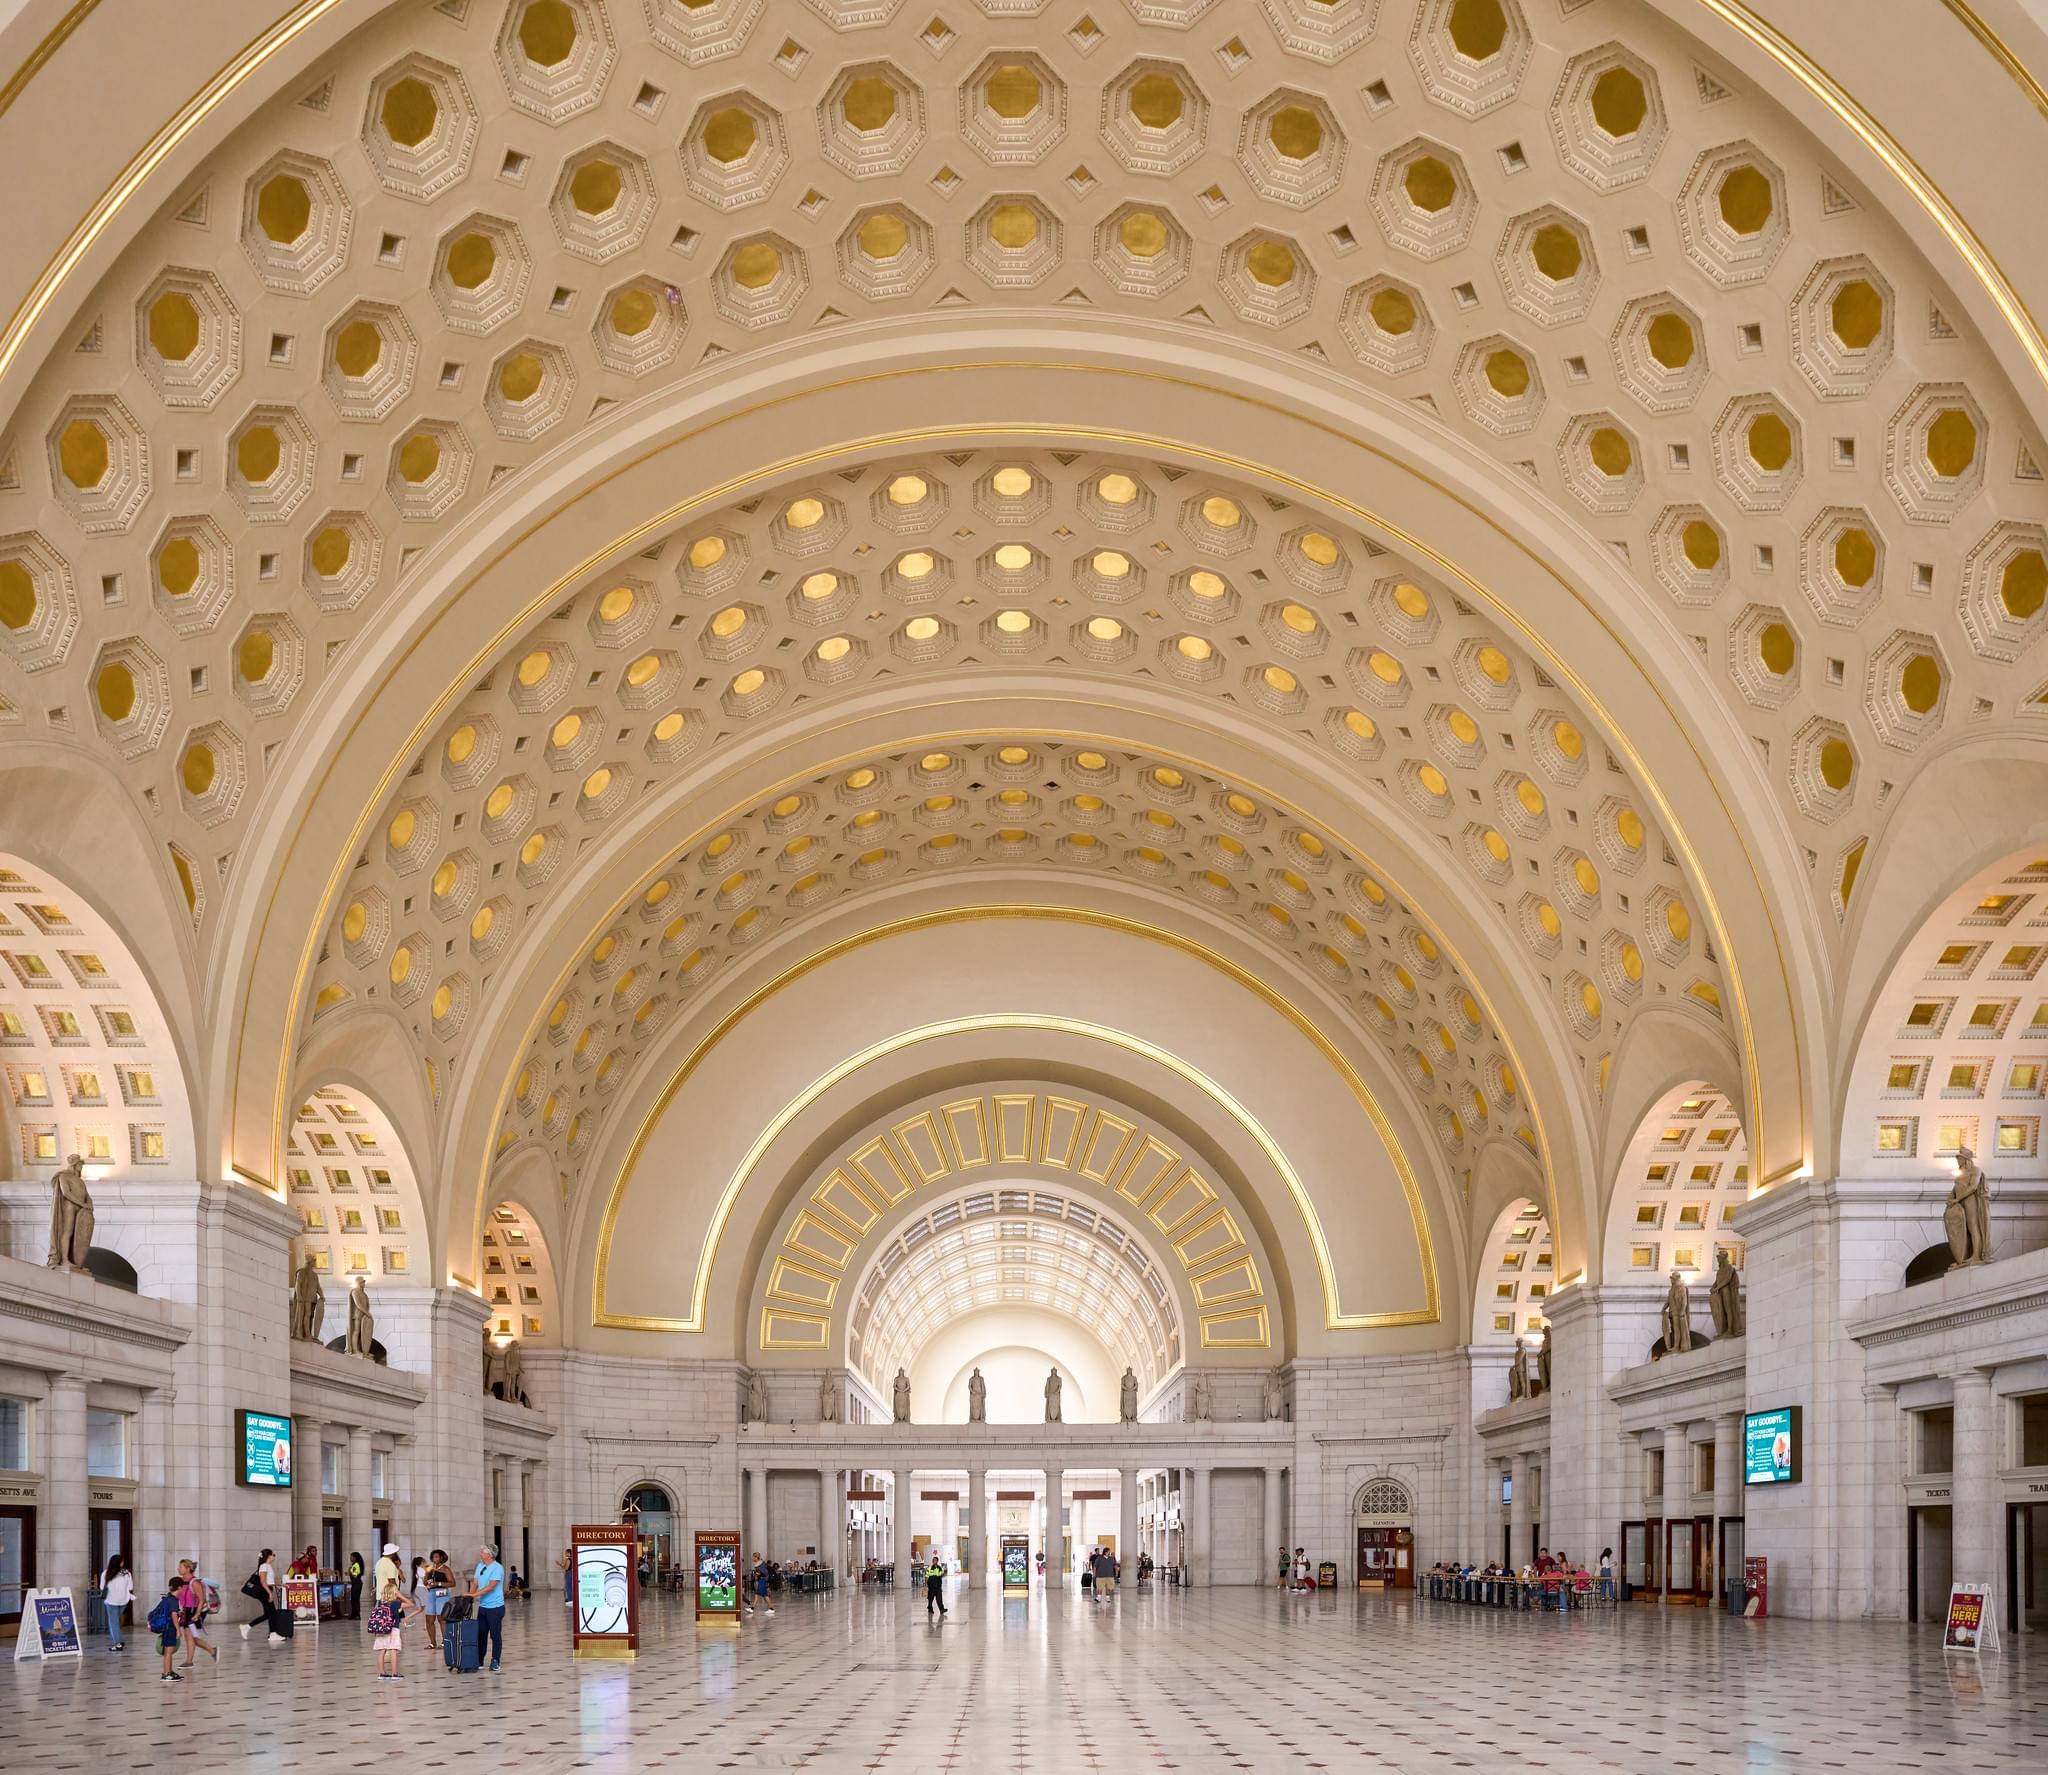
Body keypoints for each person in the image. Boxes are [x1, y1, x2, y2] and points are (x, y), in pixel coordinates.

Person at [370, 1560, 424, 1682]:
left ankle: (382, 1673)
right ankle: (394, 1673)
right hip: (393, 1629)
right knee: (393, 1651)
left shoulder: (381, 1603)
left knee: (381, 1651)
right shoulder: (396, 1604)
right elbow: (411, 1603)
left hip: (381, 1630)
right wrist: (400, 1595)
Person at [471, 1543, 507, 1672]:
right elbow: (475, 1582)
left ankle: (495, 1660)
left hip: (495, 1607)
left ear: (489, 1555)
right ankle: (479, 1660)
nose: (480, 1553)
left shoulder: (498, 1568)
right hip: (483, 1607)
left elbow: (492, 1586)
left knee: (495, 1635)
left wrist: (475, 1594)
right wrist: (470, 1594)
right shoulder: (480, 1566)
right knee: (481, 1634)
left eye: (482, 1552)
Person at [176, 1560, 218, 1666]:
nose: (178, 1569)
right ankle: (213, 1651)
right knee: (191, 1637)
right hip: (186, 1611)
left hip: (194, 1611)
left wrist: (197, 1614)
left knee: (189, 1636)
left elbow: (202, 1599)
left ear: (188, 1569)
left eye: (181, 1567)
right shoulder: (181, 1581)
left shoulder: (194, 1582)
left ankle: (189, 1661)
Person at [242, 1545, 286, 1643]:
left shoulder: (267, 1566)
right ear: (269, 1556)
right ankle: (273, 1634)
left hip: (267, 1590)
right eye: (273, 1554)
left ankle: (247, 1627)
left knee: (268, 1614)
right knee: (272, 1613)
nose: (274, 1557)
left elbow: (269, 1581)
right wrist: (270, 1593)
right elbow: (263, 1582)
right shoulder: (263, 1566)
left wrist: (280, 1584)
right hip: (264, 1592)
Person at [151, 1578, 183, 1682]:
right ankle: (166, 1674)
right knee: (169, 1652)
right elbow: (173, 1615)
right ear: (179, 1588)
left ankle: (168, 1671)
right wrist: (178, 1629)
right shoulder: (173, 1600)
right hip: (171, 1629)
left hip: (166, 1628)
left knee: (167, 1652)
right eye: (182, 1587)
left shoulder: (167, 1598)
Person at [102, 1554, 132, 1651]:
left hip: (111, 1600)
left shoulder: (106, 1573)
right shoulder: (126, 1573)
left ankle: (118, 1643)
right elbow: (131, 1587)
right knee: (115, 1621)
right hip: (123, 1600)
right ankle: (120, 1640)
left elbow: (102, 1587)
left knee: (113, 1622)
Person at [374, 1541, 402, 1607]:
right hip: (389, 1598)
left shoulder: (379, 1562)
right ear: (392, 1553)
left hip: (380, 1596)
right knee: (392, 1616)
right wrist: (398, 1595)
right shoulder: (389, 1564)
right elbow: (391, 1581)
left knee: (382, 1616)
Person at [924, 1552, 946, 1618]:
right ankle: (930, 1608)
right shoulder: (929, 1568)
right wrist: (926, 1583)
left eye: (934, 1560)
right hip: (931, 1585)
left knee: (939, 1598)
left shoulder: (940, 1568)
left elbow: (942, 1574)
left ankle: (942, 1609)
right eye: (933, 1560)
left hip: (938, 1585)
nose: (933, 1561)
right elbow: (927, 1576)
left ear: (937, 1561)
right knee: (930, 1598)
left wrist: (942, 1575)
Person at [346, 1548, 365, 1620]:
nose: (350, 1558)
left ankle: (356, 1615)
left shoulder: (356, 1564)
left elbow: (355, 1575)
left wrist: (349, 1572)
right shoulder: (355, 1564)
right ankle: (354, 1614)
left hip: (357, 1583)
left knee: (355, 1599)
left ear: (355, 1557)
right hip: (355, 1583)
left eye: (352, 1557)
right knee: (354, 1599)